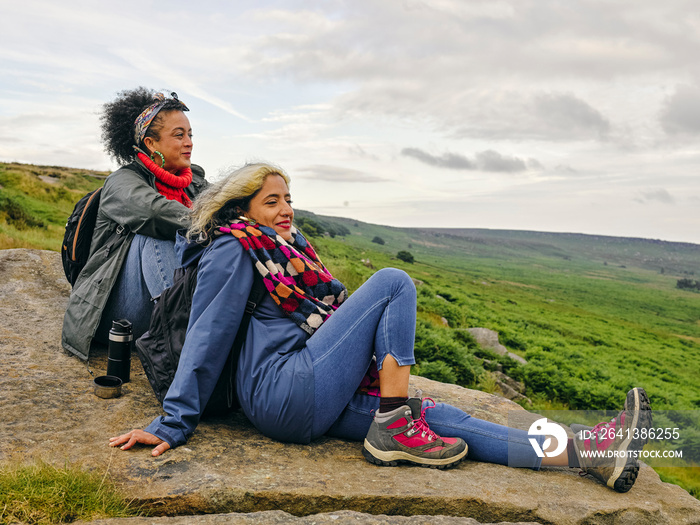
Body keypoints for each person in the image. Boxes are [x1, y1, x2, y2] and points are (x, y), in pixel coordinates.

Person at [110, 163, 653, 492]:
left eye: (288, 199)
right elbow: (206, 334)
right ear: (241, 206)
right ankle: (394, 425)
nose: (284, 209)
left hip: (313, 383)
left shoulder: (287, 248)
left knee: (449, 419)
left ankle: (591, 453)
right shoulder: (233, 245)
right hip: (282, 390)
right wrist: (172, 423)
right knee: (393, 282)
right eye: (270, 200)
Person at [62, 88, 208, 361]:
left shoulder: (196, 183)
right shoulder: (121, 183)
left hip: (172, 299)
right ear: (151, 144)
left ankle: (205, 331)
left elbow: (229, 209)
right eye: (179, 135)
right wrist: (217, 222)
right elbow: (155, 214)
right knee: (153, 234)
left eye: (190, 134)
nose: (189, 142)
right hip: (116, 314)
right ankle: (186, 345)